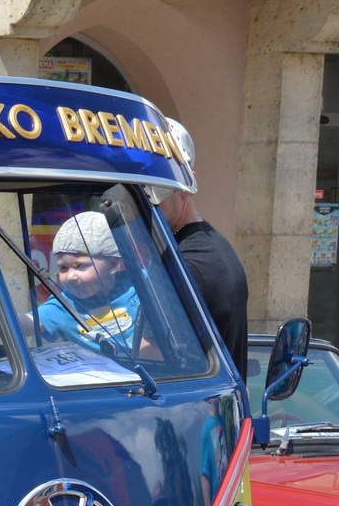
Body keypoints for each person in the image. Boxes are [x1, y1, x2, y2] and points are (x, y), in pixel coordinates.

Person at [157, 119, 248, 371]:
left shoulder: (187, 264)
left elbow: (149, 353)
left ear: (188, 184)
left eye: (157, 188)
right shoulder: (208, 245)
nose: (146, 200)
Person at [32, 211, 140, 357]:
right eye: (63, 268)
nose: (70, 276)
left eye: (80, 266)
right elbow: (29, 322)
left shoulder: (142, 284)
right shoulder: (67, 306)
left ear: (113, 265)